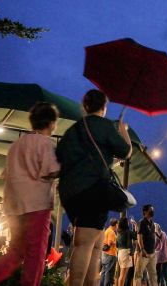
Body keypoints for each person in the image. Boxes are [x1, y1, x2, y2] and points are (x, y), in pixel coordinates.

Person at [0, 103, 61, 286]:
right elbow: (51, 170)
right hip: (37, 205)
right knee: (35, 254)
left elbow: (6, 174)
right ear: (52, 123)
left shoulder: (16, 145)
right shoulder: (46, 144)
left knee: (16, 250)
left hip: (13, 206)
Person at [57, 90, 133, 286]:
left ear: (85, 106)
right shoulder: (106, 126)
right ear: (104, 108)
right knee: (84, 243)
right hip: (92, 191)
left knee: (96, 244)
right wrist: (123, 129)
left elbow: (59, 156)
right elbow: (125, 152)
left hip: (69, 193)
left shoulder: (74, 129)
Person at [134, 204, 158, 286]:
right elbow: (139, 236)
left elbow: (153, 236)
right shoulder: (142, 222)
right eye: (151, 210)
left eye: (153, 210)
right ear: (145, 211)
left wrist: (154, 249)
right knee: (138, 275)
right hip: (144, 253)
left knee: (153, 275)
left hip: (152, 253)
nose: (152, 211)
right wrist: (142, 249)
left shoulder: (152, 223)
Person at [117, 218, 135, 286]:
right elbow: (136, 236)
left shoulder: (119, 232)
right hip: (126, 253)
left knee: (121, 275)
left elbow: (117, 244)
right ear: (126, 223)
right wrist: (135, 225)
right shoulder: (128, 231)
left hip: (120, 252)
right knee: (123, 275)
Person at [101, 219, 119, 286]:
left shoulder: (107, 230)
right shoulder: (111, 232)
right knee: (109, 273)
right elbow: (110, 243)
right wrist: (117, 242)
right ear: (116, 224)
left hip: (104, 254)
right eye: (118, 224)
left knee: (104, 272)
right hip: (110, 254)